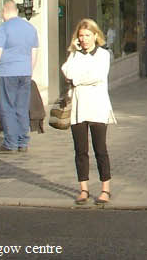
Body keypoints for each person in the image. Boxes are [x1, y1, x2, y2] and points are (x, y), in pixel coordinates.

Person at [61, 19, 116, 205]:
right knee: (80, 150)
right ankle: (83, 188)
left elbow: (97, 76)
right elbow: (66, 71)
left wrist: (76, 79)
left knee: (100, 149)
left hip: (98, 106)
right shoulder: (76, 55)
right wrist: (74, 53)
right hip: (79, 107)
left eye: (87, 35)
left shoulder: (103, 54)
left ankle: (105, 189)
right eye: (81, 36)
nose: (84, 39)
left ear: (95, 35)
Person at [0, 0, 38, 154]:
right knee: (21, 107)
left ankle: (10, 143)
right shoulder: (30, 28)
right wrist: (30, 70)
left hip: (7, 72)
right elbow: (34, 52)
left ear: (4, 11)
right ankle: (23, 141)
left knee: (6, 107)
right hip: (25, 72)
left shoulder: (4, 28)